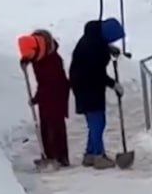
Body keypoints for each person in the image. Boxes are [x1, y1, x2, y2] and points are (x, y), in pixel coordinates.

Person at [68, 17, 125, 169]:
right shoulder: (94, 47)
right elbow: (97, 72)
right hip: (88, 85)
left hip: (85, 84)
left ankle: (90, 154)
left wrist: (108, 48)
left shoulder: (93, 37)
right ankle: (98, 156)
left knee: (95, 121)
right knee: (97, 121)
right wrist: (114, 84)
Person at [23, 29, 70, 168]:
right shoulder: (39, 54)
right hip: (46, 94)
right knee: (45, 125)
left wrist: (36, 99)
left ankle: (60, 157)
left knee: (55, 125)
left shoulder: (53, 61)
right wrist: (25, 60)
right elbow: (30, 55)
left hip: (57, 94)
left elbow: (49, 85)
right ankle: (49, 155)